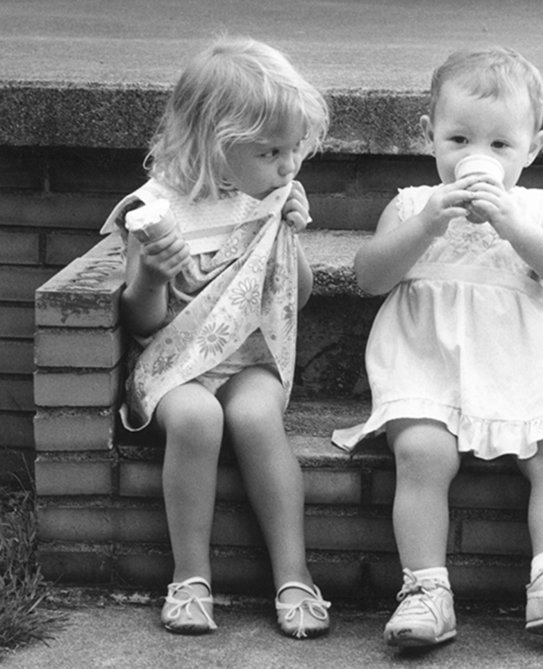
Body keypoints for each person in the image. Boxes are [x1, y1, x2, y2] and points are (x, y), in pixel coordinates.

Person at [332, 47, 543, 648]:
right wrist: (426, 226)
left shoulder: (539, 208)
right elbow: (370, 277)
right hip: (427, 362)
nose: (477, 158)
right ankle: (425, 590)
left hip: (520, 363)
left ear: (533, 149)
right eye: (460, 139)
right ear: (429, 136)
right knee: (421, 452)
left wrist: (514, 226)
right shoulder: (414, 202)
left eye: (500, 146)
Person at [100, 36, 332, 639]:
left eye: (294, 150)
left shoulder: (268, 198)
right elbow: (144, 323)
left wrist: (290, 239)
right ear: (214, 145)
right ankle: (191, 576)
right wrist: (151, 273)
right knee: (199, 419)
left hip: (247, 358)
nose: (288, 166)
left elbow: (295, 298)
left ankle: (294, 574)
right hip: (173, 365)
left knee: (257, 417)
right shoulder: (156, 211)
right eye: (271, 151)